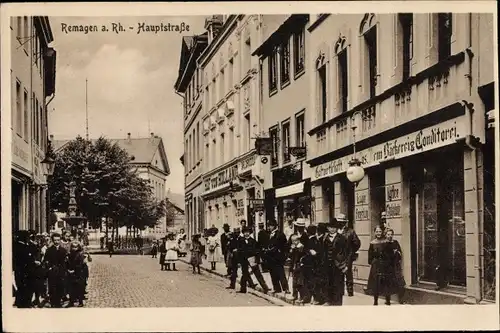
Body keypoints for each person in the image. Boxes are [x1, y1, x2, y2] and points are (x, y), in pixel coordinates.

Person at [367, 226, 396, 305]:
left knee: (386, 283)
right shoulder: (372, 243)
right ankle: (375, 301)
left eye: (380, 231)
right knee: (376, 283)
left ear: (382, 232)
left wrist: (388, 263)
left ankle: (388, 300)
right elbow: (370, 255)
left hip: (385, 266)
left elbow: (391, 254)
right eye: (377, 231)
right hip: (376, 266)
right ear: (374, 232)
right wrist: (372, 262)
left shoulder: (386, 242)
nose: (378, 233)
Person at [322, 219, 349, 306]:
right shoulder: (325, 238)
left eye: (334, 227)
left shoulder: (342, 238)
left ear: (337, 228)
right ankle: (329, 301)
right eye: (331, 227)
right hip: (327, 266)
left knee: (338, 284)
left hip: (338, 265)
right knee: (328, 283)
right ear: (328, 228)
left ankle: (337, 303)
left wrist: (346, 265)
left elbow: (347, 252)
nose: (332, 229)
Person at [337, 213, 361, 296]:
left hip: (347, 255)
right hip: (337, 256)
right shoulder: (335, 231)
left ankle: (350, 291)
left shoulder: (350, 231)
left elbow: (357, 243)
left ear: (344, 222)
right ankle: (340, 291)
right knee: (338, 273)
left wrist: (351, 251)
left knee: (348, 273)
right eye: (338, 222)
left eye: (341, 222)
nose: (340, 223)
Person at [43, 233, 68, 308]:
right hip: (52, 271)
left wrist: (64, 270)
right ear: (52, 240)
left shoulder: (63, 250)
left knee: (60, 286)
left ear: (60, 240)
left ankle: (58, 302)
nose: (56, 242)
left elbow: (65, 262)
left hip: (61, 271)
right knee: (52, 287)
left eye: (58, 240)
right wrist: (49, 268)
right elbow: (46, 260)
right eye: (55, 240)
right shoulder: (49, 250)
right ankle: (53, 302)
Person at [13, 230, 36, 308]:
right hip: (22, 270)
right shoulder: (18, 246)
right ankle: (24, 302)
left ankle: (24, 302)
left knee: (24, 286)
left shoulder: (27, 245)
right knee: (23, 286)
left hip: (24, 270)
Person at [265, 219, 290, 294]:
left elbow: (285, 246)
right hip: (270, 257)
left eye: (271, 226)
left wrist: (283, 255)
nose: (269, 227)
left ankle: (286, 289)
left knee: (281, 273)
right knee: (273, 273)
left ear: (274, 226)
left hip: (278, 257)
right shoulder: (269, 234)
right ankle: (277, 288)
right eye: (269, 226)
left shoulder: (280, 234)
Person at [386, 228, 406, 304]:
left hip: (396, 266)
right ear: (386, 235)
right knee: (388, 284)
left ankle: (401, 300)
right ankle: (387, 301)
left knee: (400, 283)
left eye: (391, 234)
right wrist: (393, 253)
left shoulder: (395, 242)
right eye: (388, 234)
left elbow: (399, 253)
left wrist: (396, 253)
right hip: (388, 267)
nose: (390, 236)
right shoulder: (384, 243)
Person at [302, 224, 319, 304]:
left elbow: (312, 252)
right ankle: (308, 297)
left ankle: (312, 298)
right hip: (309, 264)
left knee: (310, 282)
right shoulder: (313, 239)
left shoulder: (312, 240)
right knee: (309, 281)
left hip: (311, 264)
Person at [67, 242, 86, 307]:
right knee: (71, 288)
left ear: (78, 247)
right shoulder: (70, 254)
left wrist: (74, 270)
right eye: (73, 247)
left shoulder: (80, 255)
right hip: (70, 273)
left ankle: (80, 302)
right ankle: (71, 302)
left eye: (76, 247)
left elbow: (80, 265)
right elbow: (68, 263)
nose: (74, 248)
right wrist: (68, 270)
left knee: (79, 288)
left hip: (78, 274)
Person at [289, 234, 307, 303]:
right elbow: (291, 257)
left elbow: (300, 254)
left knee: (300, 283)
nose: (293, 242)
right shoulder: (294, 247)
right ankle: (294, 295)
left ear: (298, 240)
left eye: (295, 241)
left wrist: (294, 249)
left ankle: (301, 297)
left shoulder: (301, 247)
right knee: (294, 283)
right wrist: (291, 250)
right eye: (292, 241)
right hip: (294, 266)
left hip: (300, 267)